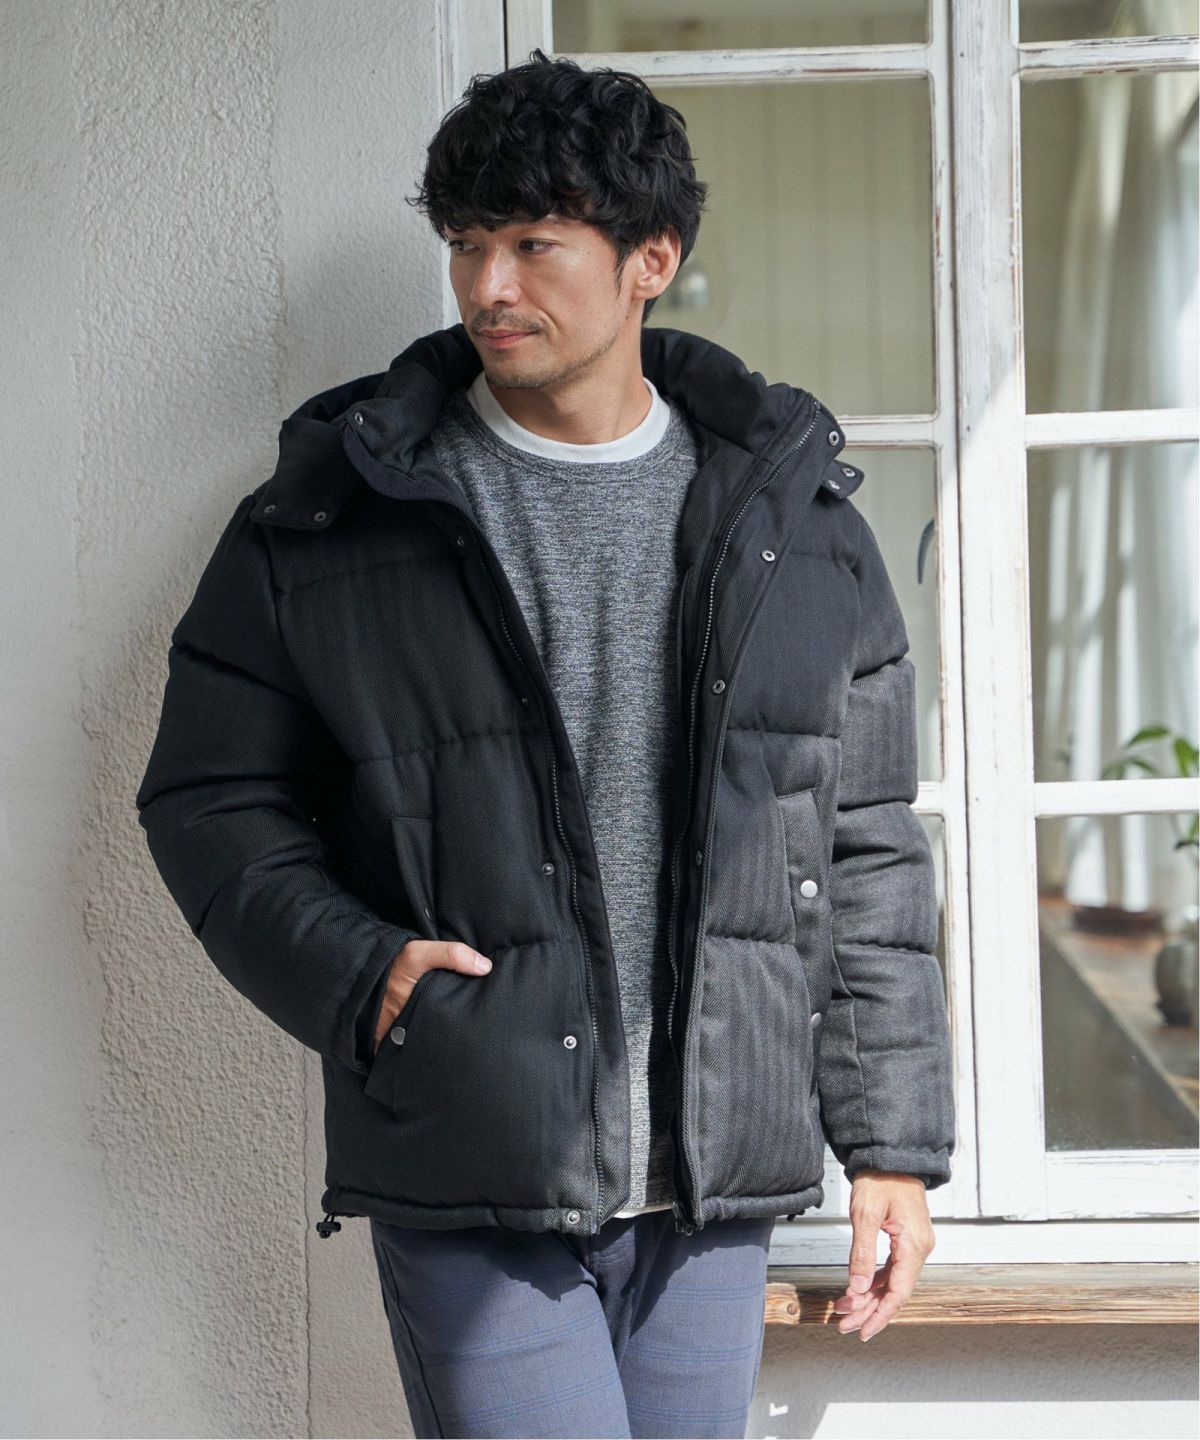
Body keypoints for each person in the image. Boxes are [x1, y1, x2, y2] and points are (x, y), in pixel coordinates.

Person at [135, 47, 955, 1440]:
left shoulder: (799, 523)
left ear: (651, 260)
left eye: (532, 243)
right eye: (466, 245)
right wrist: (366, 973)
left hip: (709, 1182)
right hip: (478, 1147)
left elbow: (864, 845)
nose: (487, 287)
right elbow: (209, 797)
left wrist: (891, 1149)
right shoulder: (337, 511)